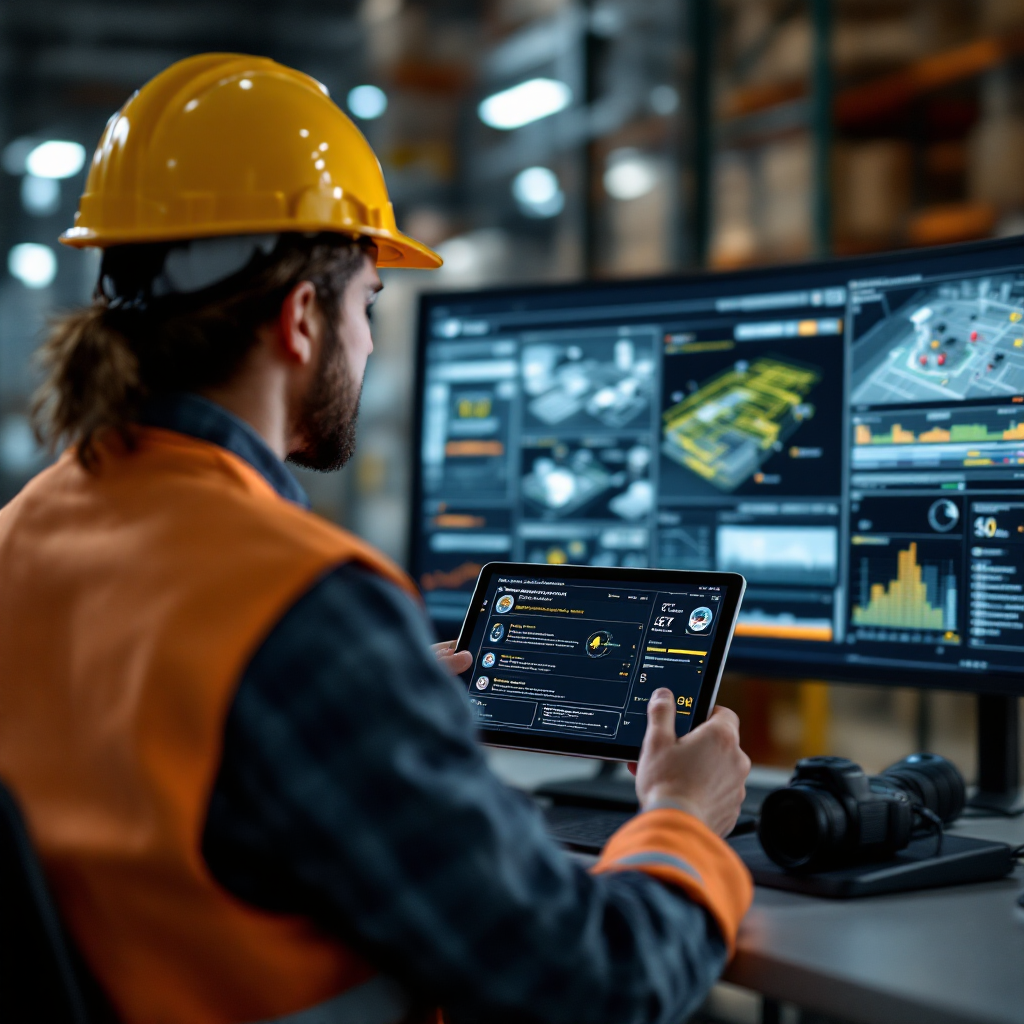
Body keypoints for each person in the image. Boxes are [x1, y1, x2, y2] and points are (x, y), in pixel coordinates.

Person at [0, 54, 752, 1024]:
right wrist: (681, 818)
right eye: (367, 305)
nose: (366, 343)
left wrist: (372, 703)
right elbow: (592, 980)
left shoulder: (24, 533)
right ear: (302, 318)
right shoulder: (293, 606)